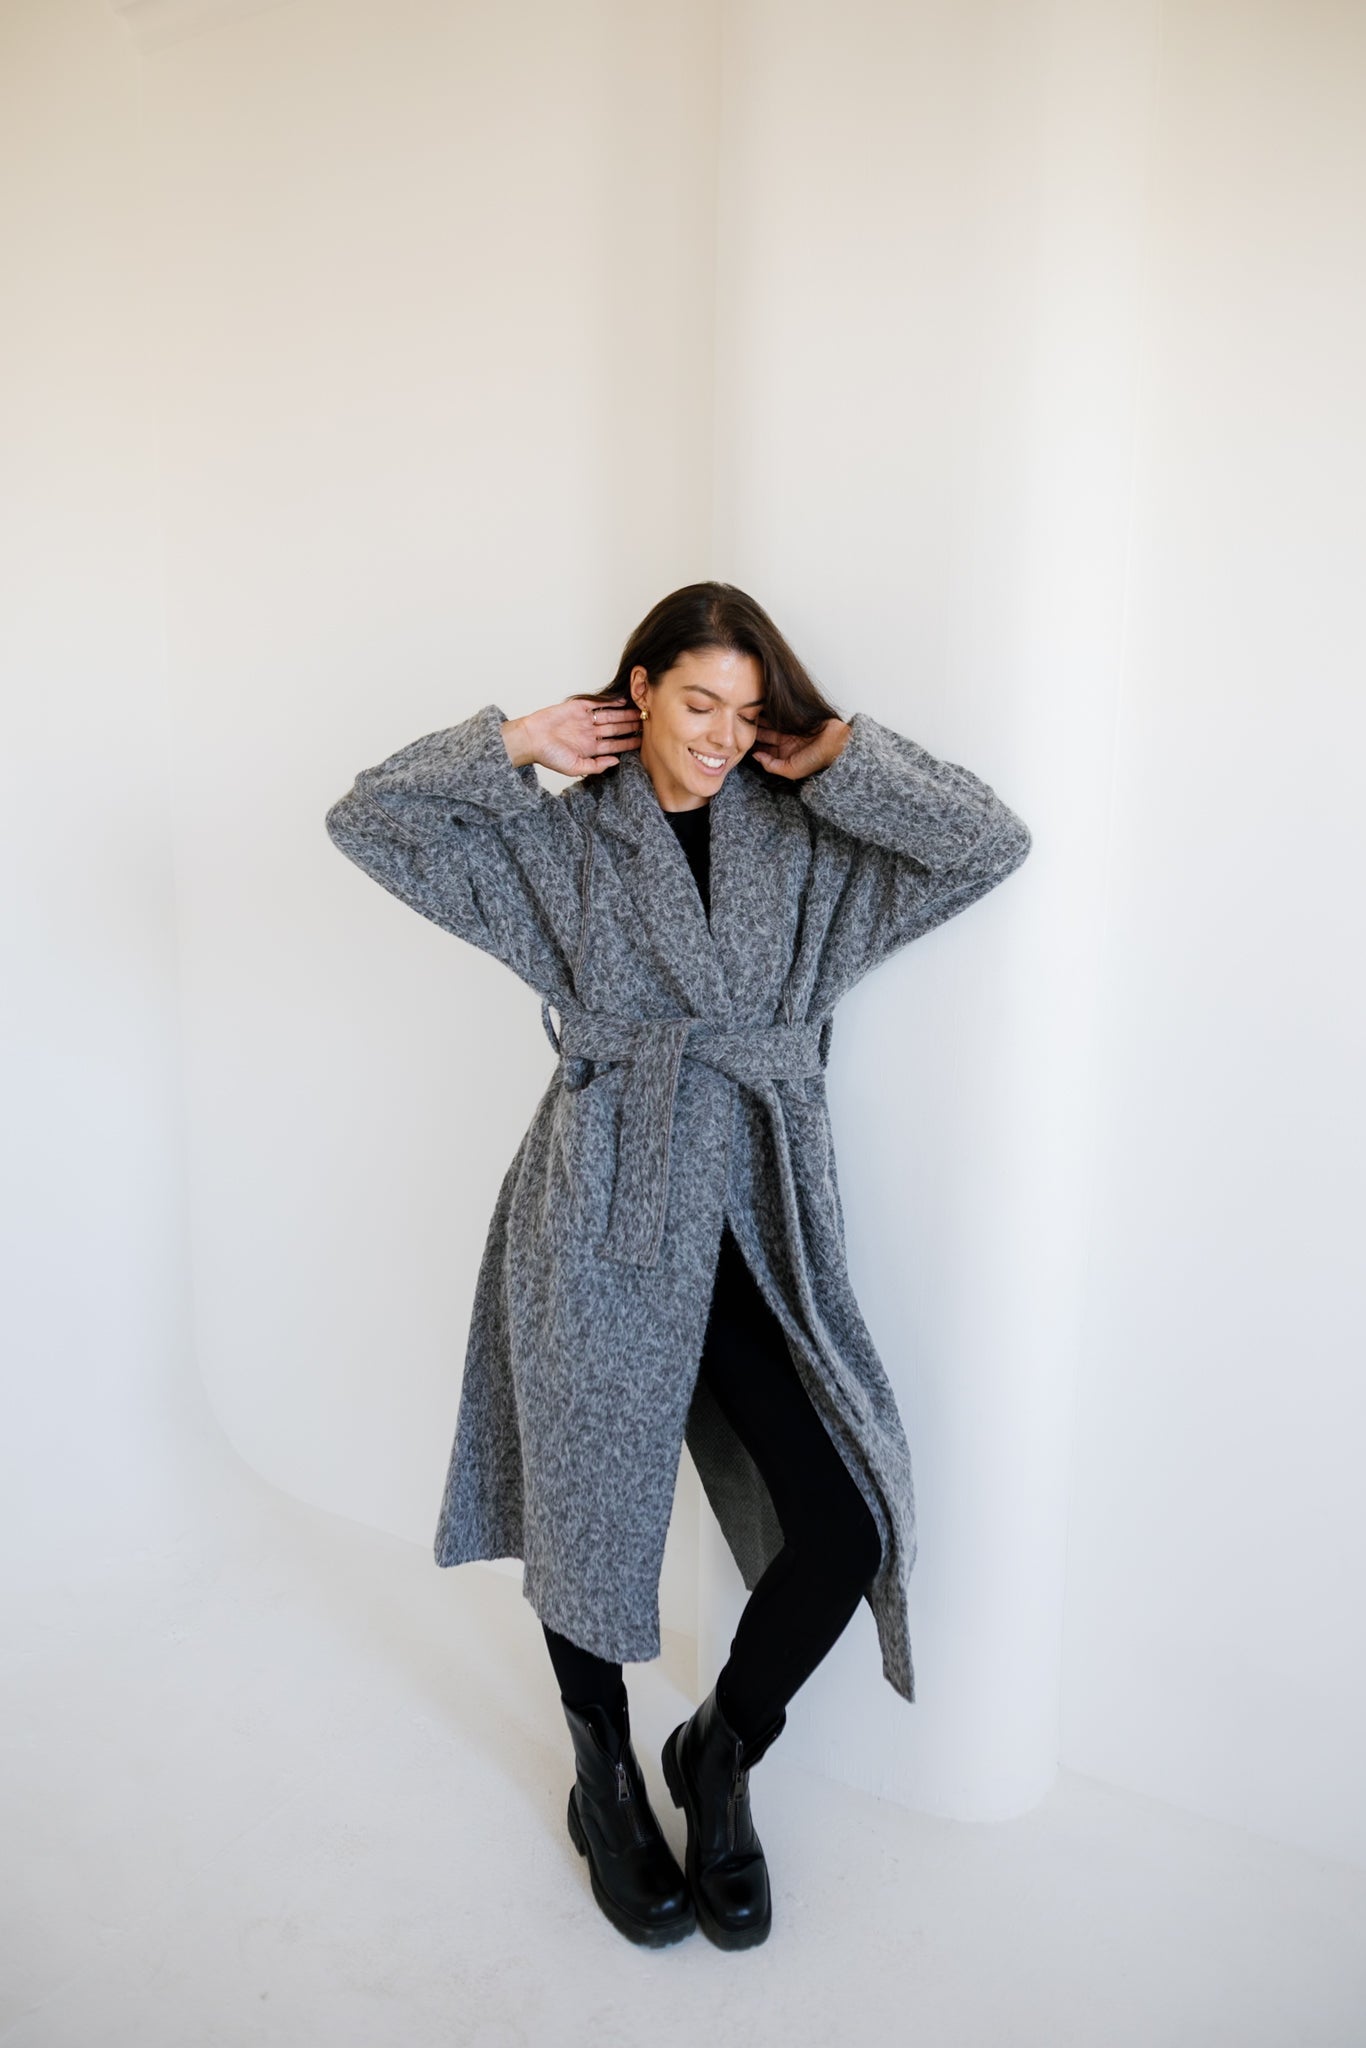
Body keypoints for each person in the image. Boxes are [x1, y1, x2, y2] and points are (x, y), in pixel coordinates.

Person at [324, 582, 1032, 1952]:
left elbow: (985, 844)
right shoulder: (557, 841)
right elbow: (370, 823)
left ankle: (718, 1751)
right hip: (601, 1203)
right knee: (587, 1506)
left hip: (756, 1214)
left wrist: (846, 758)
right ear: (638, 688)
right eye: (698, 700)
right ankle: (601, 1778)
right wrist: (514, 742)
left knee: (846, 1521)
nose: (720, 736)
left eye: (747, 713)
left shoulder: (808, 835)